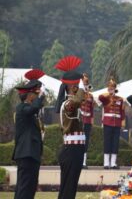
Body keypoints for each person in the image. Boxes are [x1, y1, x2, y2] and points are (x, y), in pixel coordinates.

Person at [54, 55, 86, 199]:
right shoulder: (68, 104)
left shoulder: (71, 103)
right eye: (77, 85)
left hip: (75, 149)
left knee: (70, 186)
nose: (78, 87)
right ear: (72, 86)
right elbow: (78, 100)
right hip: (71, 149)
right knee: (68, 187)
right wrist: (83, 87)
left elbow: (81, 99)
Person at [12, 69, 45, 199]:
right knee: (24, 186)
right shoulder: (22, 108)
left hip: (32, 154)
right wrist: (41, 96)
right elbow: (32, 109)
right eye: (36, 94)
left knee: (30, 186)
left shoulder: (30, 110)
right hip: (26, 153)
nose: (37, 98)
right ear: (30, 95)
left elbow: (35, 110)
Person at [98, 79, 125, 169]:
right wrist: (108, 93)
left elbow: (122, 112)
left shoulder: (120, 99)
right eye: (109, 88)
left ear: (115, 88)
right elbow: (100, 97)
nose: (111, 89)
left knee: (115, 143)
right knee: (107, 142)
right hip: (107, 122)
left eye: (112, 88)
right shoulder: (105, 98)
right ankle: (106, 163)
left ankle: (113, 163)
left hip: (117, 123)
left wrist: (122, 122)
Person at [81, 73, 94, 169]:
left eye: (87, 83)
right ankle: (78, 160)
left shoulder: (90, 96)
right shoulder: (78, 93)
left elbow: (92, 109)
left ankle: (84, 162)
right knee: (79, 140)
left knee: (85, 141)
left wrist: (92, 121)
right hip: (80, 120)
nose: (86, 85)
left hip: (88, 120)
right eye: (84, 83)